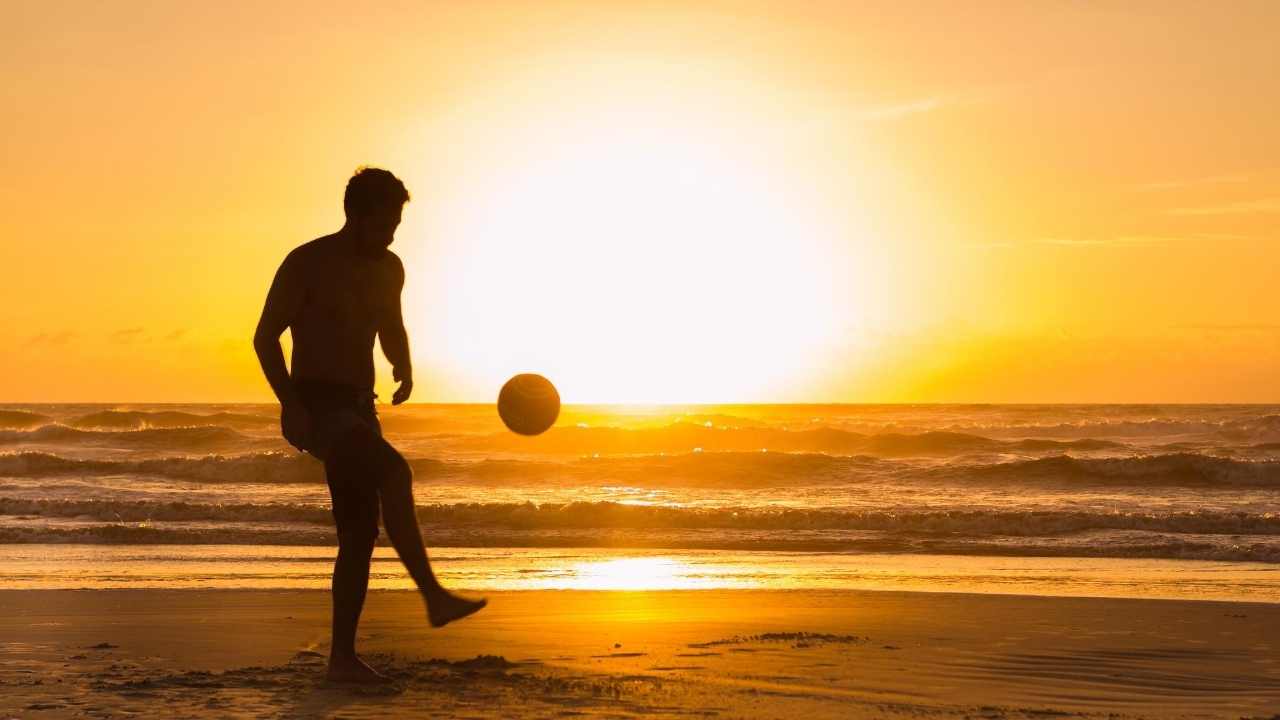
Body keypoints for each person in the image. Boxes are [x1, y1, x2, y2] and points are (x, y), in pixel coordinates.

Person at [253, 167, 486, 684]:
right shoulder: (307, 262)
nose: (393, 233)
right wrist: (290, 405)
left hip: (360, 407)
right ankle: (435, 598)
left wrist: (403, 365)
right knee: (395, 473)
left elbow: (390, 325)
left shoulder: (389, 268)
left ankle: (342, 661)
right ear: (355, 215)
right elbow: (265, 338)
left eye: (398, 222)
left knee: (359, 532)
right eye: (385, 221)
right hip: (316, 405)